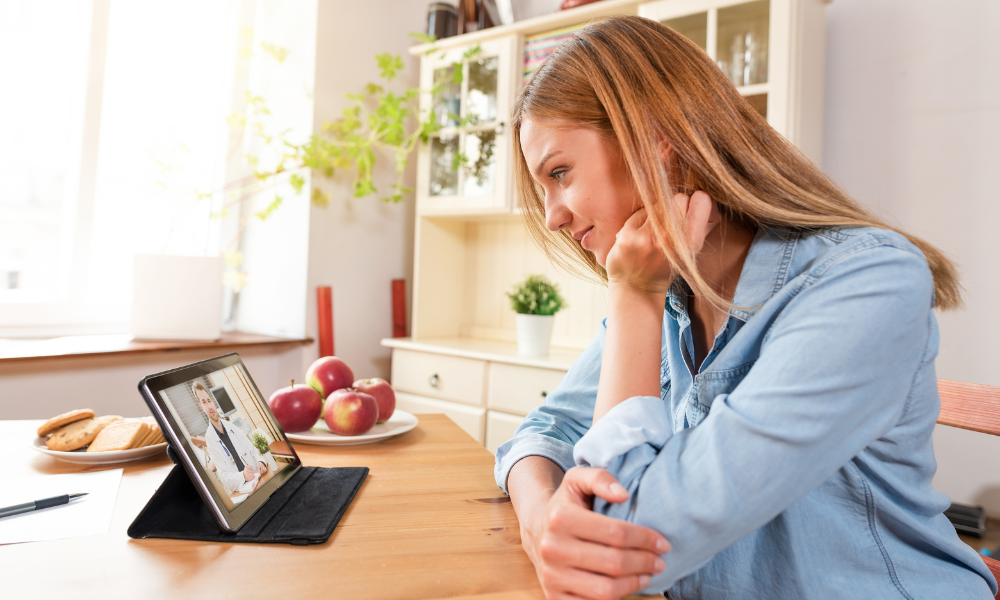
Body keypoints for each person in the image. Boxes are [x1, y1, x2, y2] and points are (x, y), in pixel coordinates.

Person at [494, 15, 995, 600]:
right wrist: (541, 522)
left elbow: (622, 535)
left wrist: (632, 295)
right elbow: (546, 429)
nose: (551, 215)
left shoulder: (866, 282)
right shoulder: (676, 293)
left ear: (659, 147)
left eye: (560, 173)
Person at [194, 381, 267, 496]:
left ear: (213, 402)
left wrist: (261, 461)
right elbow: (224, 477)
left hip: (258, 478)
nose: (209, 406)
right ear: (201, 407)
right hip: (242, 490)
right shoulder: (210, 439)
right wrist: (243, 475)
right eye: (204, 402)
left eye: (209, 401)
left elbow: (253, 449)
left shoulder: (231, 427)